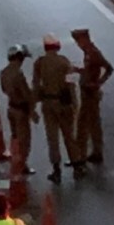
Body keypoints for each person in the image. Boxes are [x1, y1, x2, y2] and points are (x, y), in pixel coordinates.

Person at [30, 34, 79, 182]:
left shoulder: (39, 63)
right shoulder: (64, 62)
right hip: (64, 104)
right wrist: (75, 104)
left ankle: (56, 171)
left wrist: (33, 106)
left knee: (52, 138)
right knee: (69, 135)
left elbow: (36, 85)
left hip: (48, 103)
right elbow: (71, 84)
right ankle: (77, 167)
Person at [71, 28, 112, 166]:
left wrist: (98, 83)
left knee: (85, 123)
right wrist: (78, 70)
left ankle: (81, 154)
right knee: (92, 123)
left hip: (90, 93)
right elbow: (89, 70)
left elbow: (108, 68)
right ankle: (95, 151)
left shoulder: (94, 53)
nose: (78, 44)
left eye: (78, 41)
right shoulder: (88, 53)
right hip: (86, 92)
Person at [0, 46, 36, 177]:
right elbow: (26, 94)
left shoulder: (3, 72)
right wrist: (33, 110)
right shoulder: (18, 74)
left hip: (11, 108)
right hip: (21, 110)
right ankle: (21, 164)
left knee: (14, 137)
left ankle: (15, 160)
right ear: (19, 57)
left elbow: (4, 89)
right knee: (24, 140)